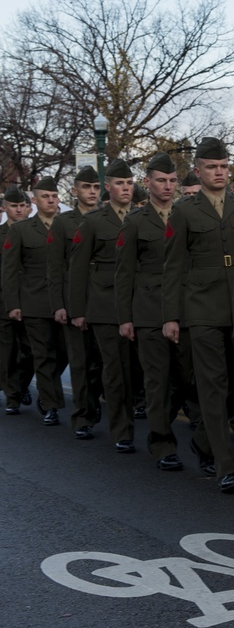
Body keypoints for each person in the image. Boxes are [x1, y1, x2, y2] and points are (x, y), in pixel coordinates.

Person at [162, 136, 234, 493]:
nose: (219, 172)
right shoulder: (184, 211)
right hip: (201, 309)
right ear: (198, 170)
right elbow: (173, 268)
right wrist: (172, 316)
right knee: (212, 387)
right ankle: (225, 465)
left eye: (223, 166)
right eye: (212, 167)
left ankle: (203, 441)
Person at [115, 152, 198, 471]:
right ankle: (162, 442)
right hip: (148, 312)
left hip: (184, 309)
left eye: (172, 181)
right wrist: (125, 318)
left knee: (186, 378)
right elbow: (124, 273)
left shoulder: (185, 216)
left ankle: (177, 426)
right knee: (156, 379)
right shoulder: (135, 222)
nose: (167, 186)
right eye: (160, 180)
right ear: (147, 183)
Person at [69, 160, 135, 451]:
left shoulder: (142, 217)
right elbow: (78, 269)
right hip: (105, 305)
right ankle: (122, 431)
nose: (125, 188)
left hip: (140, 301)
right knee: (115, 368)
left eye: (129, 183)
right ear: (108, 187)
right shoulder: (94, 222)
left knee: (140, 370)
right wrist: (78, 310)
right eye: (120, 183)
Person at [3, 179, 68, 427]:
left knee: (64, 352)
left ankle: (39, 392)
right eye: (45, 196)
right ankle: (51, 404)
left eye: (54, 195)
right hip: (34, 301)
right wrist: (13, 303)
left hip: (65, 301)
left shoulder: (72, 225)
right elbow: (10, 270)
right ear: (35, 201)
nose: (51, 200)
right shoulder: (21, 230)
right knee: (43, 354)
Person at [46, 166, 104, 436]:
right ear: (75, 191)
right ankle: (83, 417)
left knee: (102, 362)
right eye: (86, 187)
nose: (91, 192)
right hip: (74, 300)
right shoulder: (63, 222)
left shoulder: (109, 218)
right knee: (80, 363)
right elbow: (55, 266)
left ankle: (96, 403)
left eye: (95, 187)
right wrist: (59, 304)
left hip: (104, 299)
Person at [1, 188, 36, 415]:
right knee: (7, 352)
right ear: (4, 208)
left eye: (23, 205)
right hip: (3, 302)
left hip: (32, 299)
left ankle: (20, 385)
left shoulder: (36, 233)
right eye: (14, 206)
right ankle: (12, 396)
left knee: (32, 350)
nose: (19, 209)